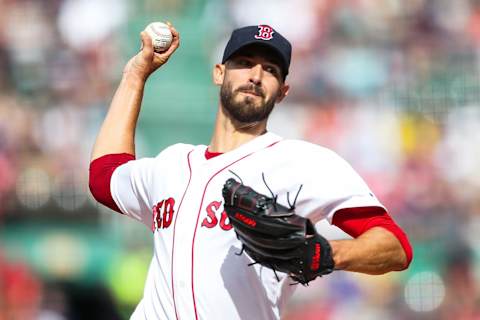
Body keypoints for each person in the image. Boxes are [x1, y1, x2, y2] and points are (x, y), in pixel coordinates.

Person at [89, 23, 412, 320]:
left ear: (283, 91)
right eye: (244, 63)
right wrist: (135, 76)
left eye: (270, 69)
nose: (255, 75)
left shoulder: (302, 162)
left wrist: (327, 254)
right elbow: (104, 177)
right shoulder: (172, 164)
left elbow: (395, 246)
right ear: (219, 73)